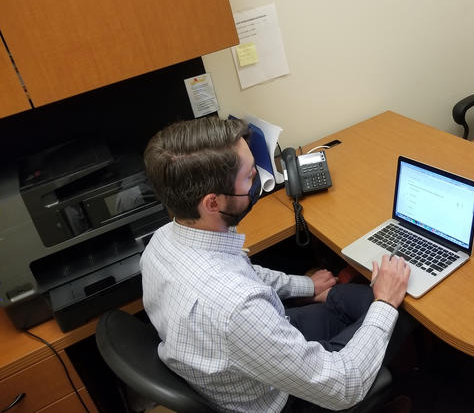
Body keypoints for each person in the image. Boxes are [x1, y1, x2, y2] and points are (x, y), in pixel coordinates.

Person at [140, 116, 411, 412]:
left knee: (361, 302)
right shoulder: (237, 308)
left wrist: (306, 285)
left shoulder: (164, 240)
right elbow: (343, 386)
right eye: (249, 176)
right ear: (212, 203)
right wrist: (385, 304)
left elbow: (242, 272)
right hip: (283, 399)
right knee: (398, 315)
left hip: (242, 356)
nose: (258, 178)